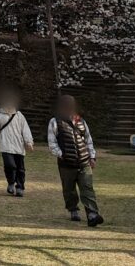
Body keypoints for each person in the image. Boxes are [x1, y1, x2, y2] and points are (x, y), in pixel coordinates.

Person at [48, 94, 104, 227]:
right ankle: (73, 209)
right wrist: (61, 154)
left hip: (84, 162)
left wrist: (92, 156)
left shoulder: (81, 121)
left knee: (87, 188)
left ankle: (92, 214)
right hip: (66, 163)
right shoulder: (54, 122)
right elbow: (52, 143)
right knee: (69, 189)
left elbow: (88, 140)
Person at [0, 87, 33, 197]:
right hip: (6, 145)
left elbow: (25, 129)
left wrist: (29, 142)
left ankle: (20, 187)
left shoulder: (19, 115)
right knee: (9, 165)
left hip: (18, 146)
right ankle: (11, 183)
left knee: (20, 168)